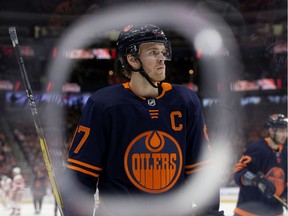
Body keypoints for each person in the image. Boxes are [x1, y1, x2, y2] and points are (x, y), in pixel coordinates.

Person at [62, 24, 224, 216]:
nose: (162, 59)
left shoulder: (186, 101)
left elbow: (202, 170)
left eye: (163, 52)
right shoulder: (104, 105)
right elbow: (81, 176)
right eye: (153, 52)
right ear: (132, 60)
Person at [233, 113, 287, 215]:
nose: (285, 135)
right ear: (271, 130)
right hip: (249, 212)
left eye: (286, 130)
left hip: (276, 212)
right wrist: (255, 180)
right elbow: (238, 172)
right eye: (281, 130)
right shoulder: (257, 149)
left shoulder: (286, 153)